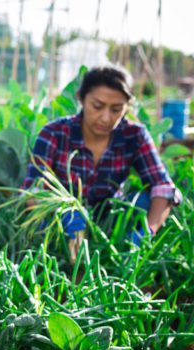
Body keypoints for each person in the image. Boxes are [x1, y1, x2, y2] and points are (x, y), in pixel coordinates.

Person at [22, 65, 182, 252]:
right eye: (97, 106)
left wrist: (149, 231)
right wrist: (62, 210)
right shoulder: (55, 133)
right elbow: (31, 191)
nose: (106, 118)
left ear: (127, 106)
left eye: (116, 109)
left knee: (145, 203)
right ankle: (55, 254)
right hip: (59, 221)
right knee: (39, 227)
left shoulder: (134, 135)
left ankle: (117, 252)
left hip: (109, 220)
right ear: (81, 98)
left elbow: (163, 188)